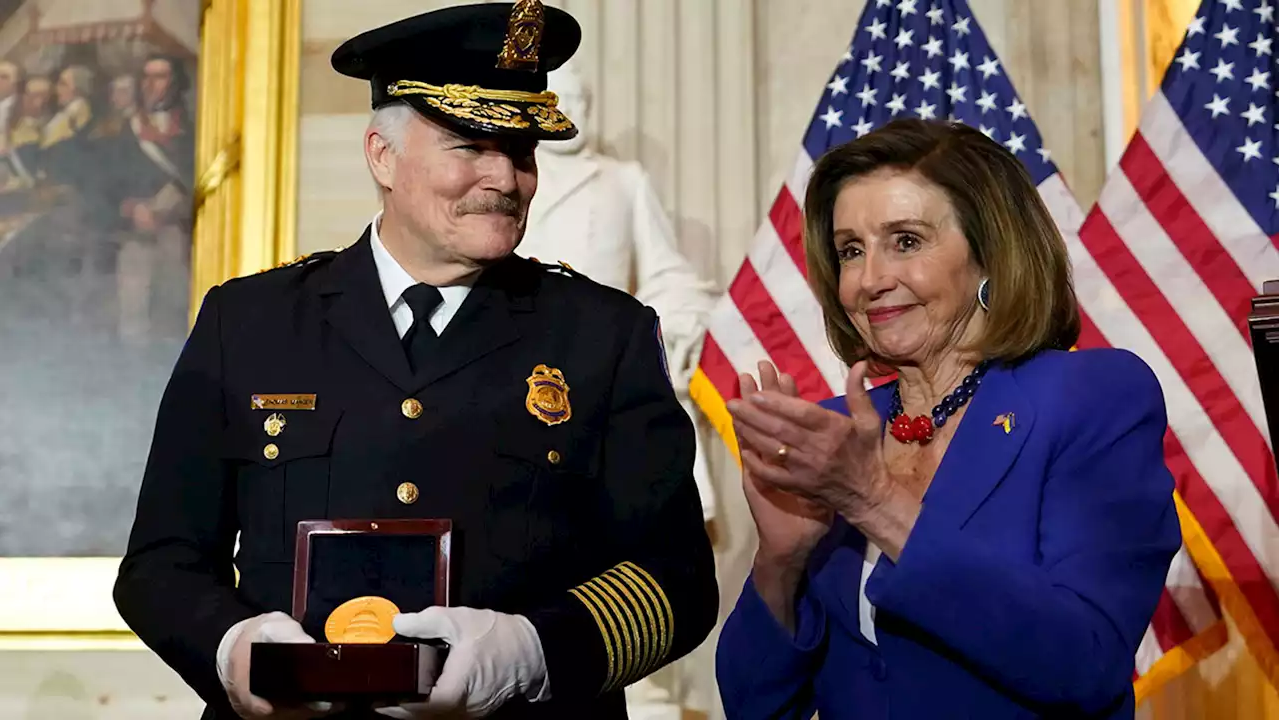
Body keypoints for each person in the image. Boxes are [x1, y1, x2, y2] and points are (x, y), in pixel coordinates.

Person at [111, 2, 718, 719]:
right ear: (381, 155)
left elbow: (675, 581)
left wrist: (532, 651)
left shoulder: (602, 335)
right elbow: (160, 563)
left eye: (521, 152)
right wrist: (231, 645)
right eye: (470, 146)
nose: (505, 178)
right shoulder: (248, 322)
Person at [714, 118, 1180, 719]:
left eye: (905, 241)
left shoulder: (1089, 397)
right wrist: (781, 561)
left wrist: (874, 500)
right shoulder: (838, 432)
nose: (870, 280)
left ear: (991, 254)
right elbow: (754, 707)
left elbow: (1085, 663)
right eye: (851, 250)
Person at [521, 57, 719, 527]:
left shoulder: (623, 180)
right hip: (522, 361)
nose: (573, 110)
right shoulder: (515, 178)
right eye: (558, 101)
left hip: (604, 361)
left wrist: (681, 312)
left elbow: (665, 272)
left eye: (580, 100)